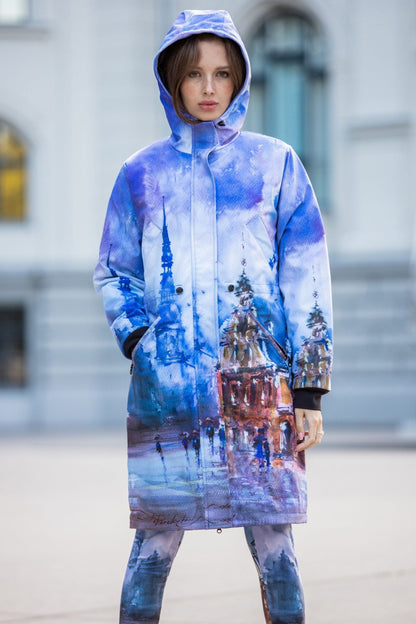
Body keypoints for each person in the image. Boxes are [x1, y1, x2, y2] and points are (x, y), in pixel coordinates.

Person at [94, 9, 333, 624]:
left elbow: (305, 272)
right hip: (168, 393)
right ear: (172, 79)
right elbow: (115, 270)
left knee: (277, 548)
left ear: (240, 79)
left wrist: (309, 389)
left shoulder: (276, 165)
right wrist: (142, 338)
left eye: (223, 73)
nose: (208, 88)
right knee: (152, 546)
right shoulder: (140, 173)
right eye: (195, 73)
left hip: (261, 392)